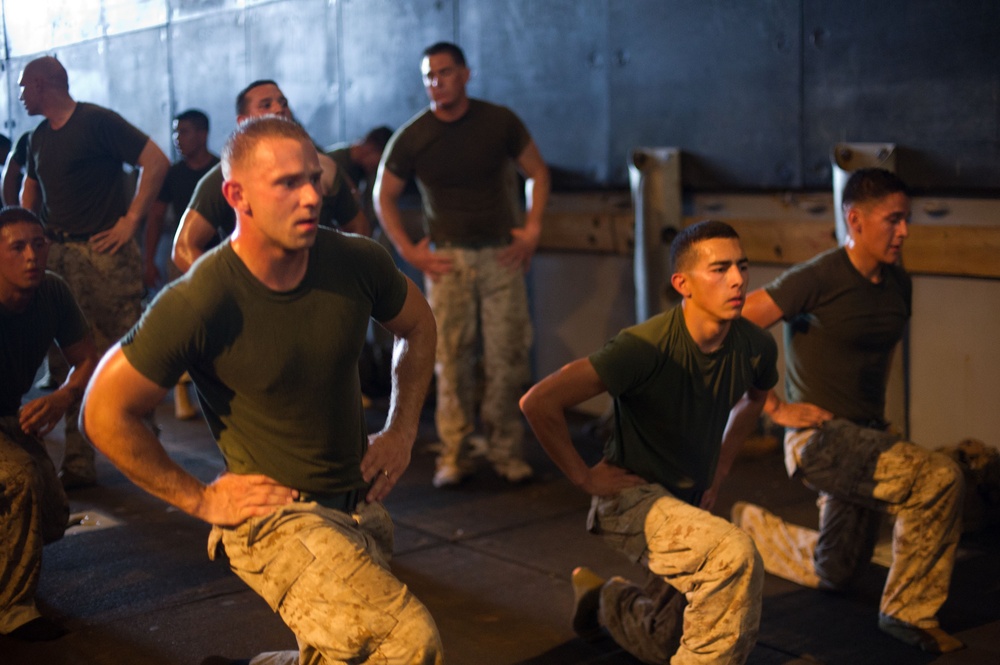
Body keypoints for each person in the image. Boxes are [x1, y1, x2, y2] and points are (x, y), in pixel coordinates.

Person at [81, 116, 442, 665]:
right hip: (274, 519)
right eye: (287, 184)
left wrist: (401, 429)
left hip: (357, 504)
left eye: (313, 179)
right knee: (406, 642)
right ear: (237, 196)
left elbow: (418, 325)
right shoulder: (202, 299)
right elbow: (102, 412)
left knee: (348, 654)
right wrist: (200, 499)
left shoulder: (355, 261)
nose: (310, 196)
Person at [519, 220, 776, 664]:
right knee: (732, 555)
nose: (737, 279)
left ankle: (602, 600)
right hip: (631, 498)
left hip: (689, 501)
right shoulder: (643, 347)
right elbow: (538, 402)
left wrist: (721, 466)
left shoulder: (755, 346)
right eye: (719, 269)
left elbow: (755, 399)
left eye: (742, 266)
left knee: (662, 642)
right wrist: (584, 477)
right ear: (683, 284)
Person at [732, 168, 966, 654]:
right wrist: (773, 406)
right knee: (938, 479)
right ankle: (907, 614)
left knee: (836, 572)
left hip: (865, 438)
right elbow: (734, 326)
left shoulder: (898, 283)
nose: (904, 231)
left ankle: (751, 529)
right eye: (893, 220)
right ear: (855, 220)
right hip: (819, 440)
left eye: (907, 219)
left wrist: (879, 428)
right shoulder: (818, 277)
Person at [375, 41, 550, 487]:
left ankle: (506, 450)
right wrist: (409, 251)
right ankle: (454, 454)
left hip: (500, 255)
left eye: (445, 72)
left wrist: (531, 230)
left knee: (506, 356)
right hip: (447, 260)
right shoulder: (414, 135)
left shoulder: (498, 122)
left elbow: (537, 173)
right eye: (429, 76)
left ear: (466, 74)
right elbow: (383, 195)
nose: (437, 82)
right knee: (450, 359)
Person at [18, 55, 169, 489]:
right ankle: (79, 461)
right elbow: (31, 193)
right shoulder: (38, 138)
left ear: (43, 84)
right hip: (59, 255)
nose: (21, 95)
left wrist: (131, 221)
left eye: (25, 86)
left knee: (126, 351)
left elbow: (156, 161)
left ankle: (144, 450)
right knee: (66, 357)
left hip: (103, 256)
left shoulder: (96, 122)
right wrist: (31, 238)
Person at [0, 206, 98, 641]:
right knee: (17, 478)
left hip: (7, 413)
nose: (31, 257)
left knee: (52, 514)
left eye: (38, 245)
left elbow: (86, 359)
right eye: (17, 247)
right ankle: (13, 612)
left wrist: (63, 396)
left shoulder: (52, 292)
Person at [172, 80, 367, 273]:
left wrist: (343, 279)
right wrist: (226, 288)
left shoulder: (323, 166)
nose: (279, 109)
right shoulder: (226, 176)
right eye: (266, 105)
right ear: (243, 121)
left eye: (283, 103)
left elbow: (359, 227)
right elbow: (184, 247)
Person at [144, 109, 220, 422]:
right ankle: (180, 393)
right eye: (176, 132)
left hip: (219, 256)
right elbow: (156, 216)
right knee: (184, 324)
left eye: (184, 131)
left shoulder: (221, 170)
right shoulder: (173, 174)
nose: (178, 138)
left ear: (203, 134)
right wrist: (148, 260)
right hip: (182, 258)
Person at [325, 125, 393, 218]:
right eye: (381, 161)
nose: (379, 167)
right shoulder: (334, 161)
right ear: (370, 148)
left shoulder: (362, 169)